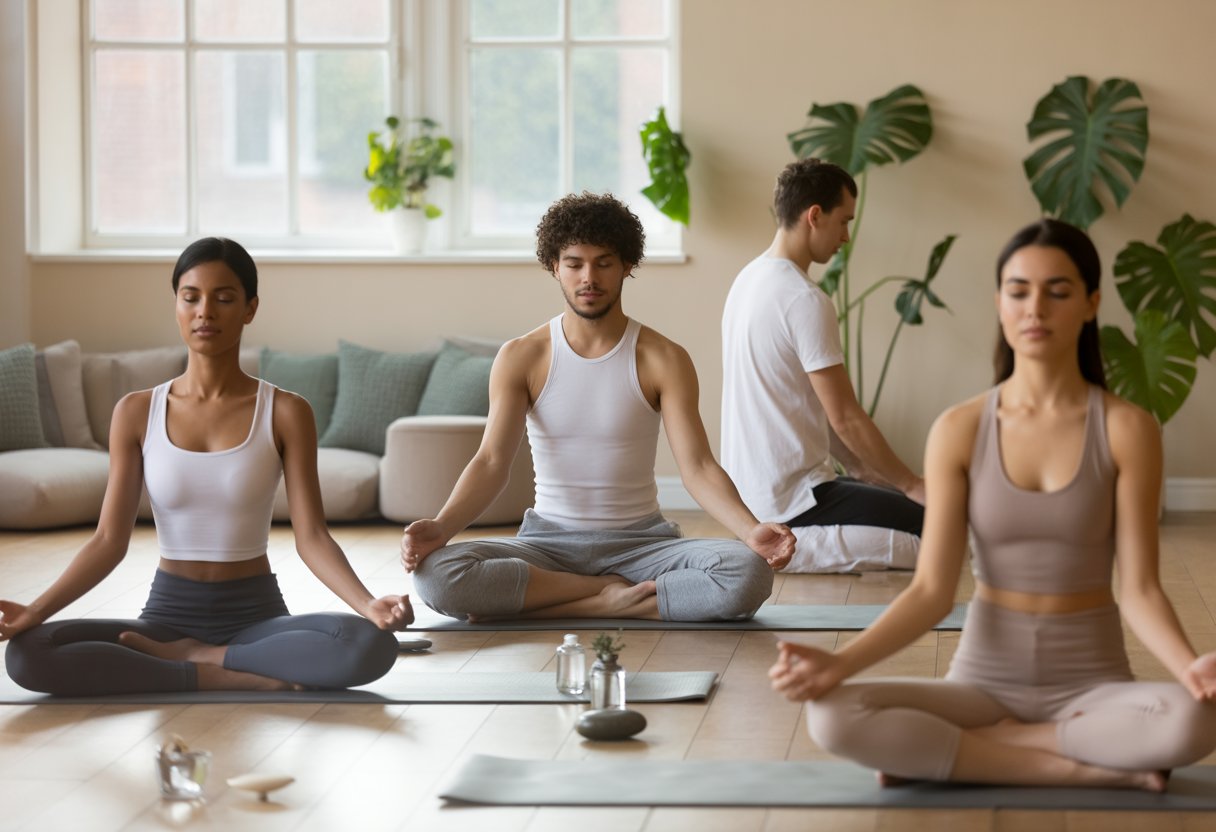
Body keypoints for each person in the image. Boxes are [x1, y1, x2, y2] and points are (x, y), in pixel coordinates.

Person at [769, 219, 1216, 791]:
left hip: (1093, 684)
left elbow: (1140, 589)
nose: (1036, 308)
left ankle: (982, 752)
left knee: (1198, 718)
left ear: (1090, 303)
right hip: (982, 683)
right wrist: (839, 665)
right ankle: (1078, 767)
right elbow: (932, 592)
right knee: (832, 714)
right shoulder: (960, 429)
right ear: (1000, 303)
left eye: (1058, 291)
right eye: (1018, 290)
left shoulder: (1129, 429)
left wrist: (1190, 669)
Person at [1, 237, 411, 696]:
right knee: (28, 652)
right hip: (166, 619)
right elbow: (107, 541)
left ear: (250, 308)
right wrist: (36, 610)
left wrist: (368, 604)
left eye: (224, 298)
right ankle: (214, 670)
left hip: (256, 618)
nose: (205, 312)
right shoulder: (136, 412)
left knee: (367, 644)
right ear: (176, 304)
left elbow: (312, 536)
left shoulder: (286, 411)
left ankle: (199, 661)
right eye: (190, 297)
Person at [402, 192, 794, 622]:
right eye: (574, 263)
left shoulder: (663, 358)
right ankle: (608, 598)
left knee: (747, 572)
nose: (589, 277)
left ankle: (560, 605)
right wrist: (441, 528)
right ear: (555, 267)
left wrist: (750, 530)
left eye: (604, 262)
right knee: (437, 575)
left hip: (644, 547)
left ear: (627, 265)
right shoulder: (522, 356)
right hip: (546, 547)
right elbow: (492, 461)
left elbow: (698, 467)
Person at [721, 158, 925, 572]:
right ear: (814, 215)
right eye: (843, 221)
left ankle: (766, 537)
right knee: (937, 530)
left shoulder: (748, 280)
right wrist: (913, 484)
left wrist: (859, 466)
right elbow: (846, 417)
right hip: (794, 502)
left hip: (752, 496)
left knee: (901, 505)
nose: (846, 237)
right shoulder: (803, 298)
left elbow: (798, 401)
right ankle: (784, 548)